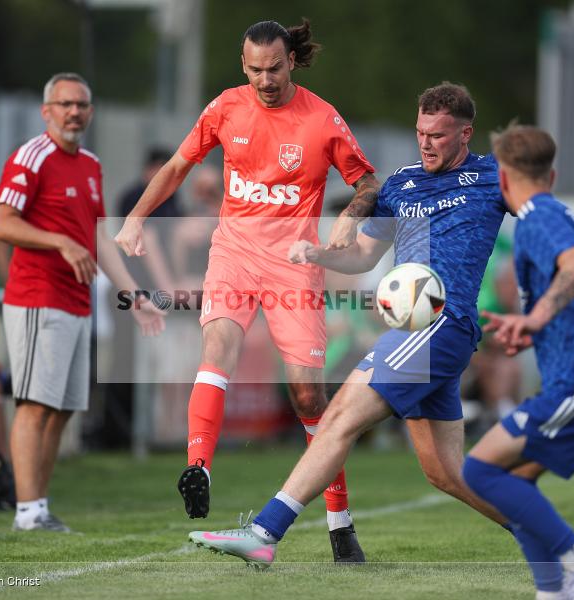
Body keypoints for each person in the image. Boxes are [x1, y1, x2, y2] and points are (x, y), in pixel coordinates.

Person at [187, 82, 511, 567]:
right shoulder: (402, 184)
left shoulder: (491, 179)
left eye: (439, 136)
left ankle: (263, 532)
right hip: (418, 333)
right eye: (420, 132)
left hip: (439, 325)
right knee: (446, 474)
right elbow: (364, 255)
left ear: (466, 134)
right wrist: (319, 253)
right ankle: (548, 536)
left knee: (338, 417)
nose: (426, 143)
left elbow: (545, 214)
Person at [115, 19, 380, 562]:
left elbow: (368, 182)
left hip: (294, 264)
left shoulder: (322, 118)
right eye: (256, 69)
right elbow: (177, 167)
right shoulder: (225, 108)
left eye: (275, 68)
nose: (266, 80)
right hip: (233, 253)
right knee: (216, 350)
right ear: (244, 65)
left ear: (292, 62)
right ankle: (198, 468)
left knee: (307, 394)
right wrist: (137, 219)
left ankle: (339, 521)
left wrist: (351, 216)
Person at [461, 125, 574, 599]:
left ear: (502, 180)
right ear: (551, 174)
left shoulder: (537, 218)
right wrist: (539, 326)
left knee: (479, 472)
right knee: (516, 481)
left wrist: (537, 320)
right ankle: (553, 591)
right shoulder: (567, 215)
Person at [0, 72, 163, 533]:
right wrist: (58, 243)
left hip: (77, 302)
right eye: (65, 104)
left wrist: (133, 295)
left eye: (82, 105)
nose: (74, 112)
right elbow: (1, 222)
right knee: (34, 404)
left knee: (61, 408)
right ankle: (27, 511)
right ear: (47, 111)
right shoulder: (31, 157)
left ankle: (39, 507)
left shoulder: (89, 164)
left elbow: (97, 237)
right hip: (36, 298)